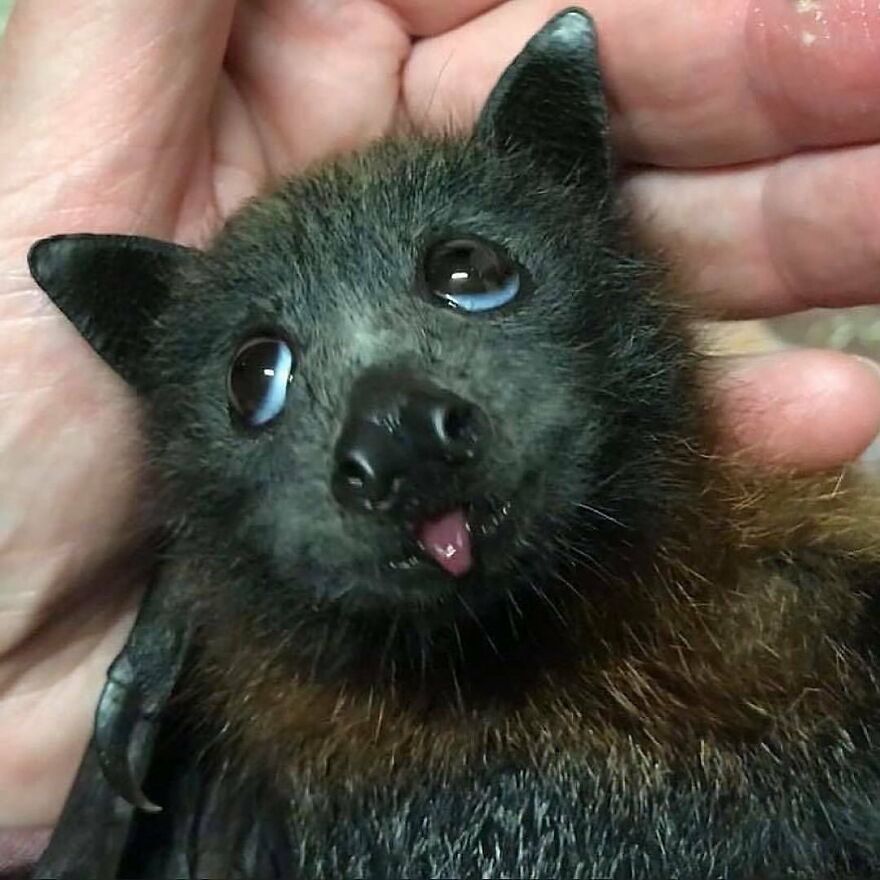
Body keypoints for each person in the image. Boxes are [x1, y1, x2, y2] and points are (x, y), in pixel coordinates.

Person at [1, 0, 879, 832]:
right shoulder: (272, 741)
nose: (395, 434)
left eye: (469, 276)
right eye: (259, 379)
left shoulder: (817, 606)